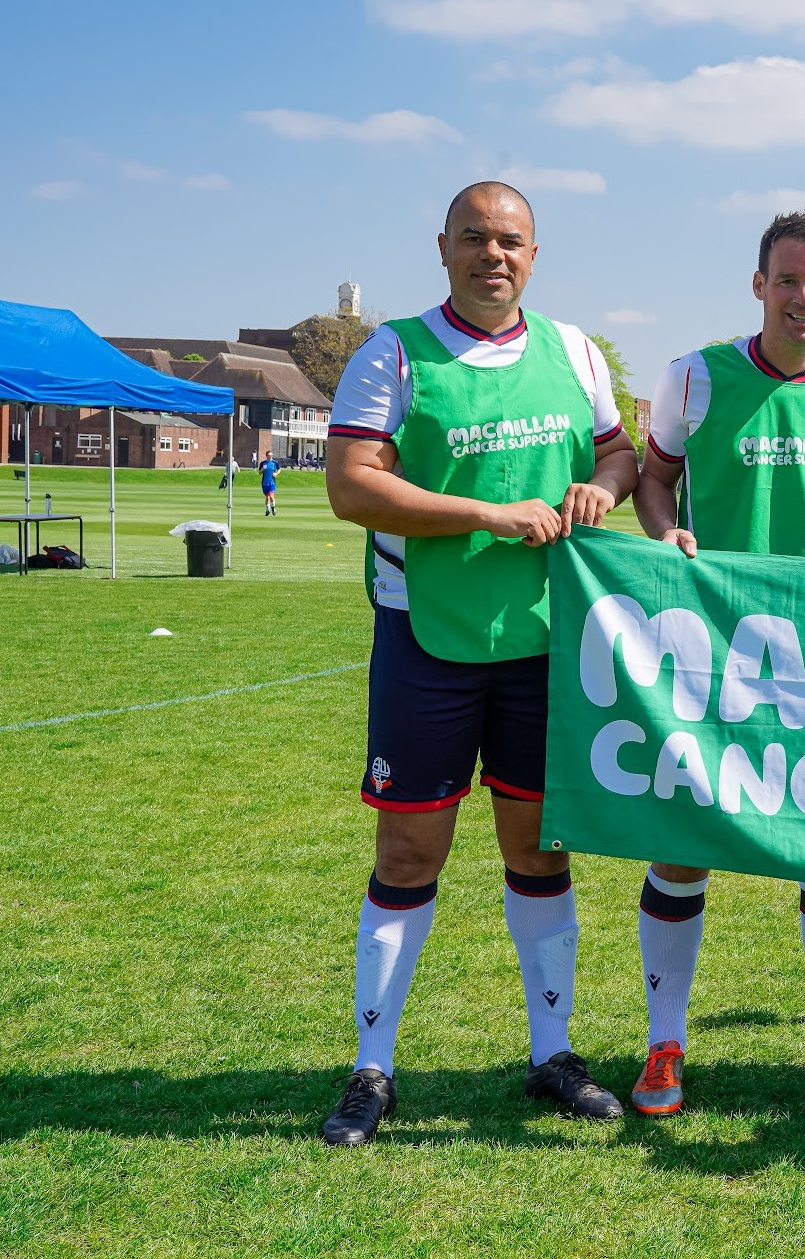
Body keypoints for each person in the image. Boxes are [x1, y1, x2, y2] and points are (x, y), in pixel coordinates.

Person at [318, 181, 639, 1146]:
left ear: (533, 254)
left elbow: (620, 456)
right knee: (410, 852)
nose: (492, 254)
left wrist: (599, 487)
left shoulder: (575, 350)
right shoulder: (394, 354)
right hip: (427, 637)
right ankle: (373, 1067)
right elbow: (350, 485)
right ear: (445, 248)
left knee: (539, 848)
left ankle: (552, 1054)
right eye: (474, 239)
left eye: (510, 241)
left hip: (544, 638)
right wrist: (486, 515)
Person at [628, 212, 805, 1116]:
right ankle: (665, 1045)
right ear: (759, 285)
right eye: (788, 280)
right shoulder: (697, 376)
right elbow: (655, 477)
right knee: (681, 851)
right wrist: (669, 539)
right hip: (714, 657)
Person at [259, 451, 280, 516]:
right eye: (269, 455)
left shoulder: (275, 463)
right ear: (266, 456)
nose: (270, 456)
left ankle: (273, 508)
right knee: (267, 497)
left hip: (272, 482)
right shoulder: (263, 463)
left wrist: (276, 473)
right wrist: (263, 468)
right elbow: (259, 472)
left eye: (271, 455)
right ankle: (267, 510)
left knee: (271, 495)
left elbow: (279, 469)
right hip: (265, 482)